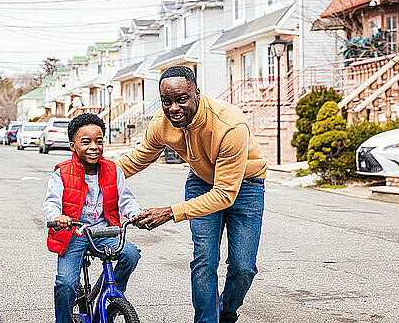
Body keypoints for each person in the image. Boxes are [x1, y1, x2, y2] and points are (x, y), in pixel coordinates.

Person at [119, 66, 268, 323]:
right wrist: (93, 176)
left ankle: (226, 312)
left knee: (243, 268)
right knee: (204, 261)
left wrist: (170, 213)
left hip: (245, 186)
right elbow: (137, 159)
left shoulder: (229, 124)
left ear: (197, 93)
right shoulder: (162, 124)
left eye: (181, 99)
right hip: (201, 181)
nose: (173, 108)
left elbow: (224, 194)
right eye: (167, 101)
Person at [43, 113, 142, 323]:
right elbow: (51, 202)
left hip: (104, 231)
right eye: (86, 142)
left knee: (131, 254)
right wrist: (58, 217)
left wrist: (136, 214)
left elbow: (126, 200)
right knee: (66, 283)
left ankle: (111, 297)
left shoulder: (113, 171)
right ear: (73, 146)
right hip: (73, 234)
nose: (93, 146)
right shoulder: (62, 173)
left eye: (99, 141)